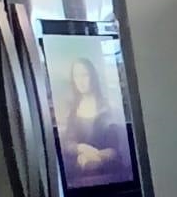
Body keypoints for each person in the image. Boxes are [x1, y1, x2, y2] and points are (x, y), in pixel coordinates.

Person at [54, 53, 125, 185]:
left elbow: (115, 149)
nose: (80, 80)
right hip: (79, 174)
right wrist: (80, 148)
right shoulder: (73, 110)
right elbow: (67, 144)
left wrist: (95, 156)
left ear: (93, 77)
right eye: (76, 76)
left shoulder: (109, 108)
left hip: (109, 173)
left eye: (84, 75)